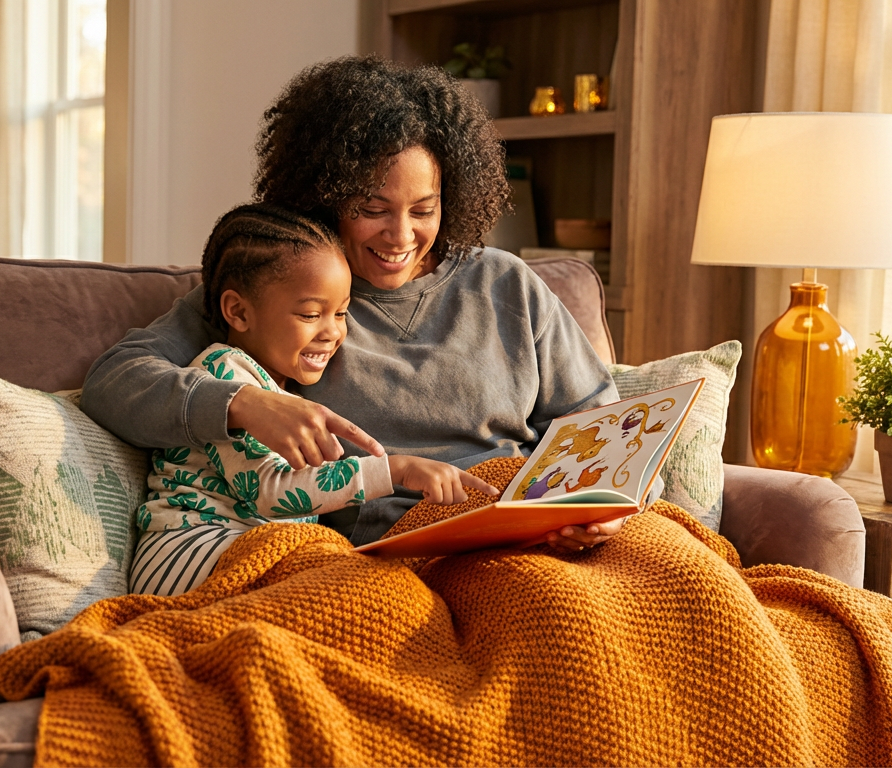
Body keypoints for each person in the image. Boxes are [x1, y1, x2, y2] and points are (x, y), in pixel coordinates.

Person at [84, 56, 635, 550]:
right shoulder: (281, 289)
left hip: (526, 520)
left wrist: (600, 508)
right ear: (325, 193)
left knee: (672, 568)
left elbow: (604, 423)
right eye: (373, 209)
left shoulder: (506, 283)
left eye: (424, 210)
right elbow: (115, 381)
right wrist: (244, 405)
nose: (401, 236)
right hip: (404, 548)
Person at [130, 203, 496, 596]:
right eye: (309, 315)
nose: (332, 333)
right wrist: (395, 470)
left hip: (251, 552)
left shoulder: (283, 388)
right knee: (367, 588)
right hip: (189, 550)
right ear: (238, 312)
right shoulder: (223, 372)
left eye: (340, 314)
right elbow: (271, 491)